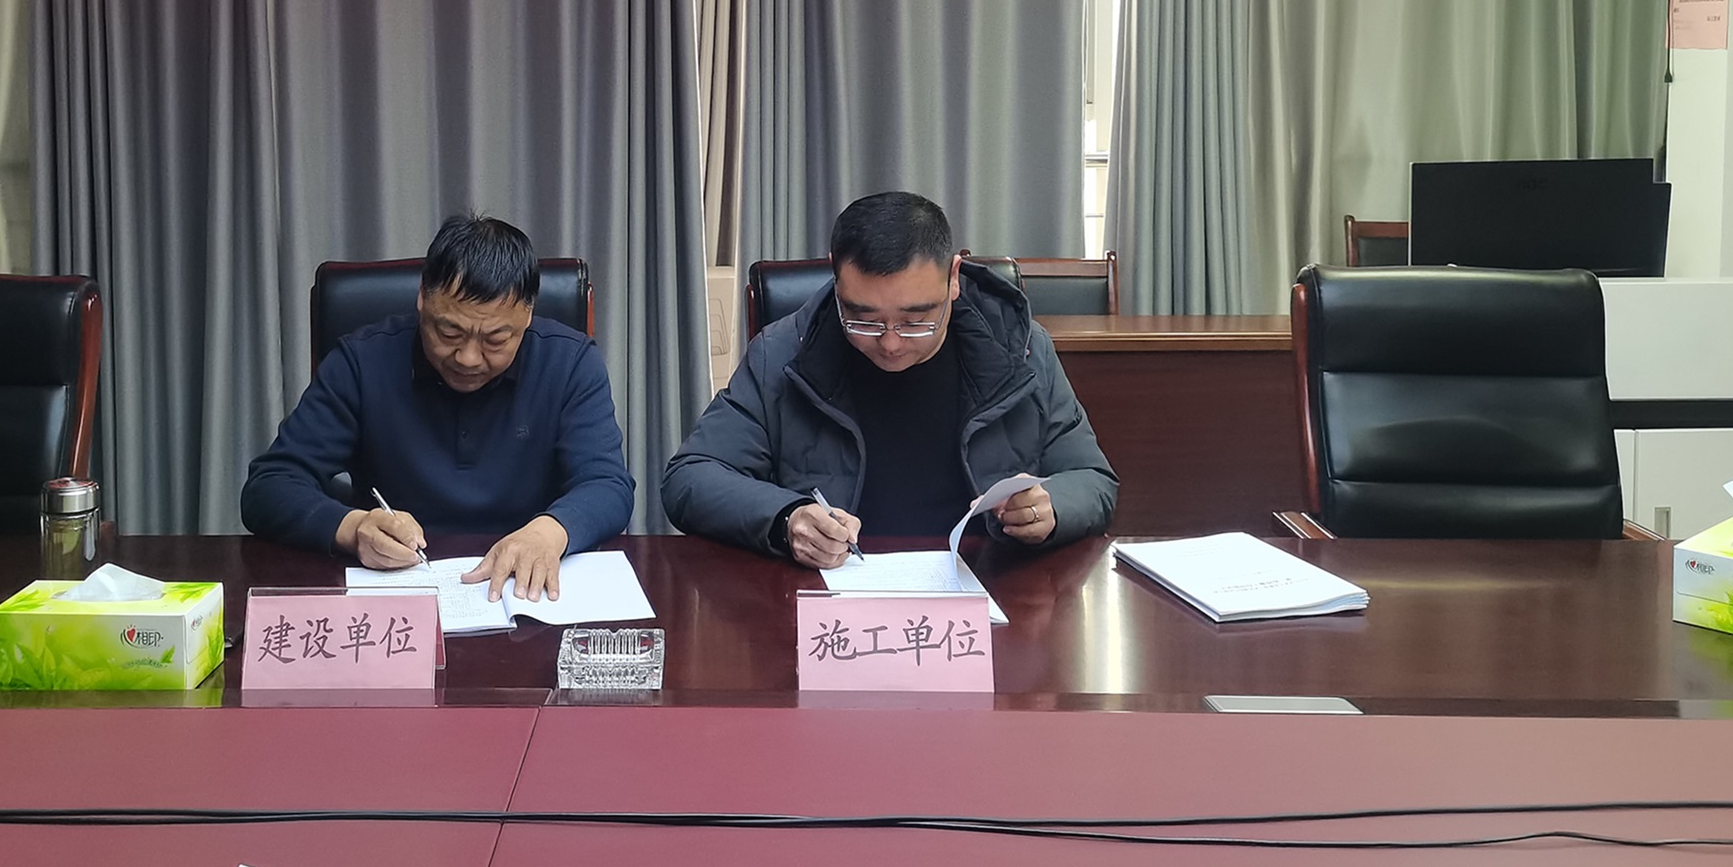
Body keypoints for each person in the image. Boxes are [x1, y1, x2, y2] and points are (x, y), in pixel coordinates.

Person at [664, 191, 1118, 567]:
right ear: (836, 278)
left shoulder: (1020, 350)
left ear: (953, 278)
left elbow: (1093, 479)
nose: (891, 343)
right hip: (836, 598)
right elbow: (690, 478)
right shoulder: (783, 353)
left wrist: (1050, 507)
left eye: (916, 320)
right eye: (862, 319)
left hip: (988, 594)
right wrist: (787, 518)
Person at [241, 214, 635, 603]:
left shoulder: (570, 363)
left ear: (527, 315)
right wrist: (353, 528)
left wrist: (548, 533)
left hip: (524, 591)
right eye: (449, 332)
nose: (468, 358)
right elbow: (270, 486)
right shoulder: (362, 362)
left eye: (496, 340)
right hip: (397, 589)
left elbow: (608, 485)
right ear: (422, 298)